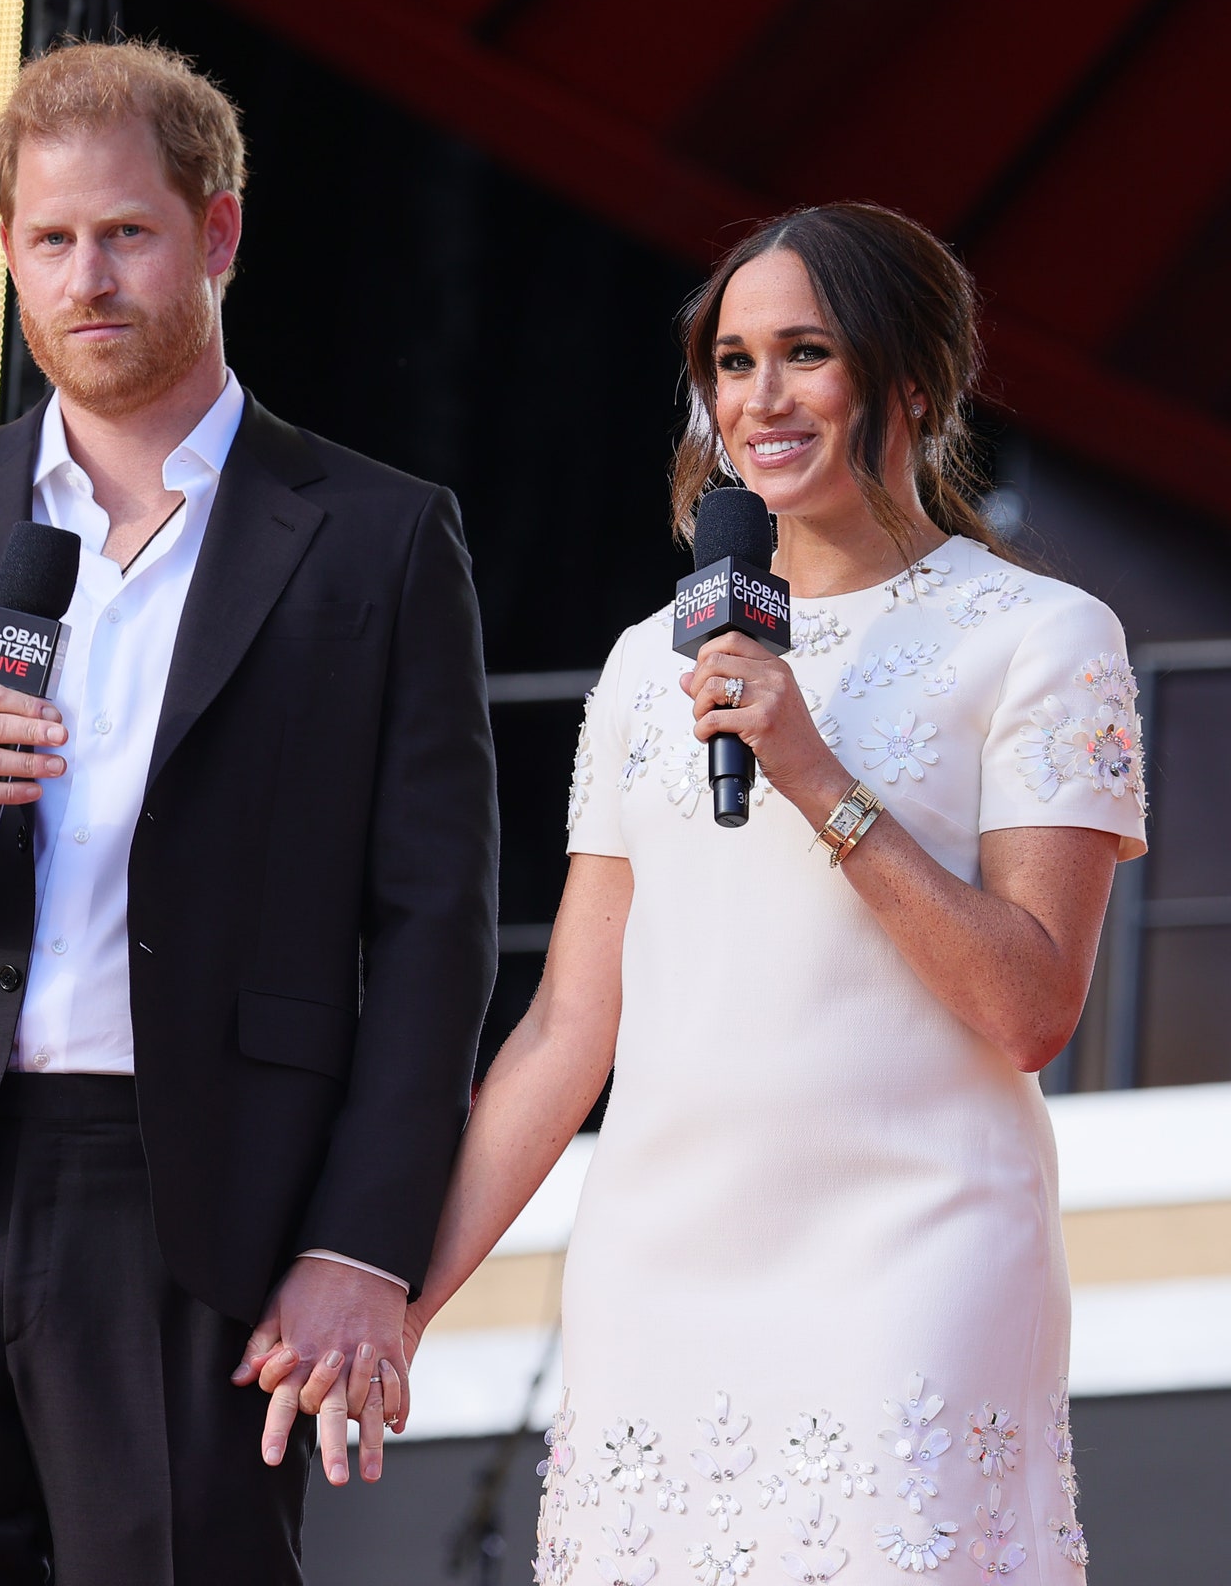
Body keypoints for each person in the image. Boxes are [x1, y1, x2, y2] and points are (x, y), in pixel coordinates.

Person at [0, 39, 497, 1586]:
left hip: (193, 1205)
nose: (88, 276)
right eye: (50, 241)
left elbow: (434, 933)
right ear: (7, 253)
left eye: (126, 232)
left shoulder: (378, 541)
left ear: (219, 232)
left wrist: (363, 1246)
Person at [378, 204, 1144, 1584]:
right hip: (660, 1277)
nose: (761, 397)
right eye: (732, 361)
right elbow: (566, 1032)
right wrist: (399, 1299)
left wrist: (815, 774)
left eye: (806, 352)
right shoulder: (641, 668)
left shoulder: (1041, 638)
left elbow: (1031, 1005)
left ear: (915, 380)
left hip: (916, 1261)